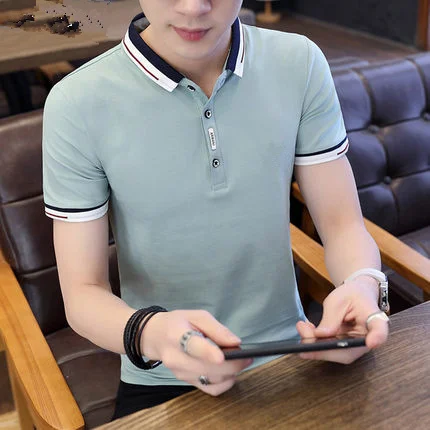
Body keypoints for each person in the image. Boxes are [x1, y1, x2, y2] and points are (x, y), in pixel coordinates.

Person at [42, 0, 389, 421]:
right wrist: (154, 335)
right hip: (163, 374)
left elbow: (343, 226)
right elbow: (82, 293)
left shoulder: (298, 62)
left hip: (296, 352)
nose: (194, 7)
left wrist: (363, 284)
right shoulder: (76, 102)